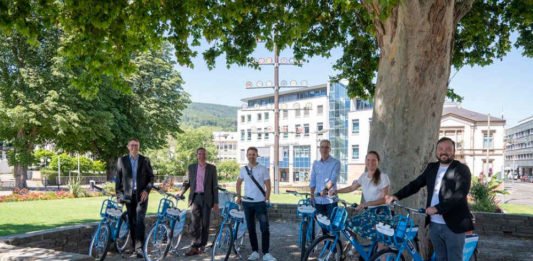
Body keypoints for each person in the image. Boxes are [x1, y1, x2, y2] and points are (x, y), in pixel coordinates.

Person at [386, 137, 474, 261]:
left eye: (448, 149)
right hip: (434, 225)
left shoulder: (461, 169)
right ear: (436, 151)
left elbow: (460, 194)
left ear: (454, 152)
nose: (444, 151)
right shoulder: (432, 167)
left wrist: (437, 208)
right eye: (440, 149)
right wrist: (396, 195)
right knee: (440, 257)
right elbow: (416, 184)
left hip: (454, 225)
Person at [334, 151, 391, 249]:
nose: (370, 162)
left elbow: (385, 200)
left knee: (380, 245)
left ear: (378, 162)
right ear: (365, 161)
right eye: (368, 160)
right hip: (370, 212)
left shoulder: (383, 177)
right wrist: (336, 191)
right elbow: (351, 188)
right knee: (348, 224)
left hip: (381, 212)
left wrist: (366, 204)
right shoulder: (364, 176)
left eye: (374, 160)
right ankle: (359, 250)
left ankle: (379, 254)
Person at [115, 138, 154, 258]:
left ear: (139, 147)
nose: (134, 147)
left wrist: (147, 190)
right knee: (132, 221)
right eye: (132, 145)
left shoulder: (145, 160)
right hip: (128, 196)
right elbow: (118, 179)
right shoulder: (122, 160)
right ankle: (134, 247)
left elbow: (151, 178)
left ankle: (139, 248)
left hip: (141, 195)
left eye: (136, 145)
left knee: (139, 220)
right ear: (128, 147)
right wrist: (119, 195)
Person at [236, 147, 277, 261]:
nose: (251, 156)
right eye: (249, 154)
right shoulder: (243, 170)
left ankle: (266, 253)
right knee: (251, 228)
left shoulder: (263, 169)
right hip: (247, 203)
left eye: (253, 154)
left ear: (257, 155)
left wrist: (266, 198)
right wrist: (239, 196)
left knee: (264, 228)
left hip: (260, 203)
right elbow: (238, 183)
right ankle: (254, 252)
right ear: (247, 156)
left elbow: (268, 186)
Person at [180, 147, 219, 256]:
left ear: (206, 155)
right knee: (194, 223)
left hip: (207, 199)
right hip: (195, 198)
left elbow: (215, 186)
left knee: (205, 223)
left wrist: (216, 202)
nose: (201, 156)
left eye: (203, 154)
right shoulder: (191, 167)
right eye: (199, 154)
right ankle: (194, 246)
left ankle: (202, 245)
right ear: (197, 155)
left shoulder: (212, 168)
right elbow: (187, 182)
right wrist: (181, 192)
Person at [310, 140, 340, 224]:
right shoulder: (315, 164)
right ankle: (325, 237)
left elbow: (333, 179)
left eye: (327, 147)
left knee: (332, 225)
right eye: (322, 147)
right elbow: (312, 181)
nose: (324, 149)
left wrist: (325, 190)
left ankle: (333, 237)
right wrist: (312, 195)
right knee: (322, 225)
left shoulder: (336, 163)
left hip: (330, 200)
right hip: (318, 200)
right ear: (319, 149)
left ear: (330, 149)